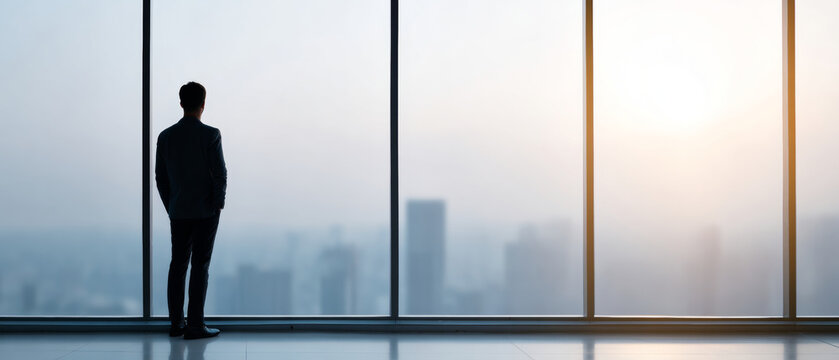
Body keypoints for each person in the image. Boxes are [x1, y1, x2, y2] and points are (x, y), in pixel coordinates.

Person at [156, 81, 227, 339]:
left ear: (181, 103)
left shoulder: (165, 137)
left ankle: (177, 324)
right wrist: (218, 203)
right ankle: (196, 325)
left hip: (179, 210)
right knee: (200, 266)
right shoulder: (211, 134)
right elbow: (220, 174)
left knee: (178, 265)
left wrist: (171, 204)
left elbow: (160, 178)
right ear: (203, 104)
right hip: (206, 211)